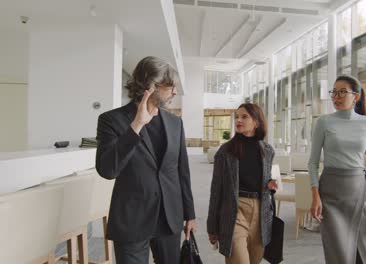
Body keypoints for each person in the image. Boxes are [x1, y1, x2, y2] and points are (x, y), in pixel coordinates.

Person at [95, 56, 197, 264]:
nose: (175, 92)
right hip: (132, 219)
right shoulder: (111, 120)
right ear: (151, 86)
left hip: (170, 218)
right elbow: (107, 170)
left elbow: (181, 172)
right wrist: (136, 127)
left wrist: (190, 214)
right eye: (170, 86)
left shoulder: (175, 123)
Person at [308, 75, 366, 264]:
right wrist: (315, 195)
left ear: (356, 96)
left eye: (342, 92)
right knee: (339, 254)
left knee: (363, 251)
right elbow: (312, 162)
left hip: (359, 194)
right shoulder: (324, 122)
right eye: (334, 92)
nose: (336, 96)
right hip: (331, 195)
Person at [207, 103, 278, 264]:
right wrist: (212, 226)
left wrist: (269, 185)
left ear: (257, 121)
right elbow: (216, 190)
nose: (238, 120)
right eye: (237, 116)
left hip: (260, 211)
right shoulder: (225, 152)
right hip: (234, 210)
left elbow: (263, 179)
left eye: (244, 116)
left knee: (255, 260)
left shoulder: (267, 150)